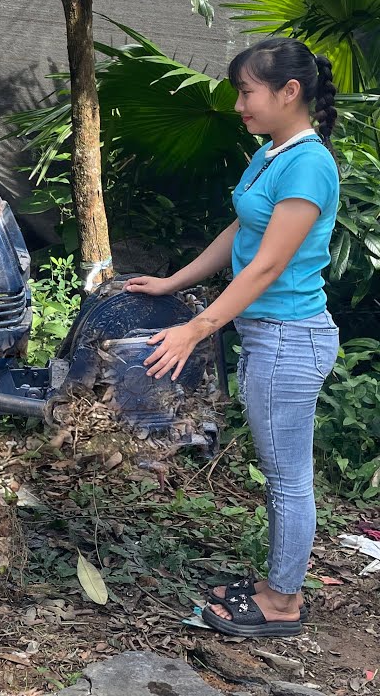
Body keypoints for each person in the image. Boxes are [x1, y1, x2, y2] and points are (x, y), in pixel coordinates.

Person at [125, 37, 340, 638]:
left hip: (288, 340)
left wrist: (195, 329)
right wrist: (174, 282)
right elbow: (240, 228)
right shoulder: (274, 153)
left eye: (247, 92)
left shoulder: (309, 165)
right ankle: (277, 584)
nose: (239, 105)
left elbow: (268, 266)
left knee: (288, 479)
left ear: (288, 92)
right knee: (281, 475)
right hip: (269, 337)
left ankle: (282, 602)